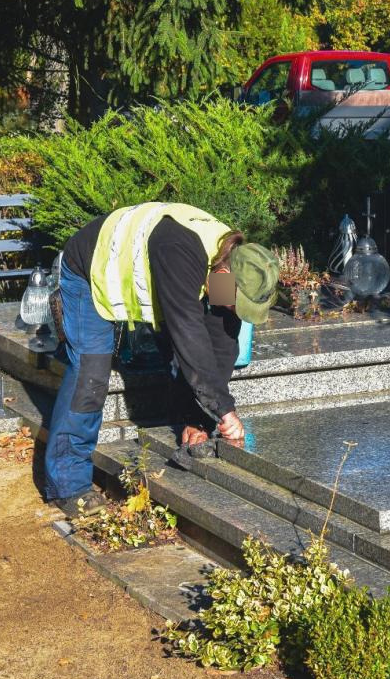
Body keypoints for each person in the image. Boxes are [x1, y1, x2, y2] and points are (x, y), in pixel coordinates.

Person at [43, 202, 280, 516]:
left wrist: (197, 418)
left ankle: (186, 415)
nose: (240, 312)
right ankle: (68, 485)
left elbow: (219, 346)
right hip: (89, 270)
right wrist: (223, 410)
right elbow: (189, 339)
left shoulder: (226, 261)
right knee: (90, 373)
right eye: (242, 303)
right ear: (225, 275)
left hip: (144, 271)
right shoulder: (180, 251)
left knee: (202, 346)